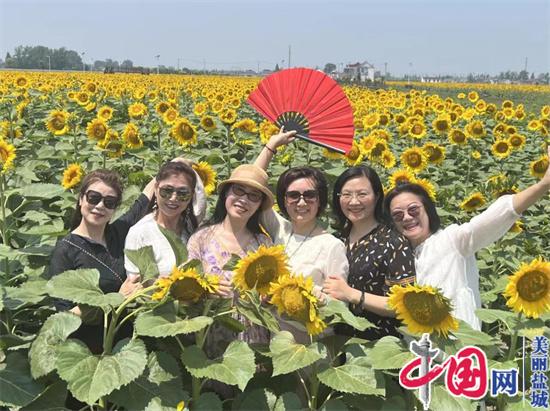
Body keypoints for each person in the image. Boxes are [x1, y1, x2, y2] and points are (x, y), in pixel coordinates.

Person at [384, 146, 550, 330]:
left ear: (428, 210)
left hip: (459, 349)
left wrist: (543, 184)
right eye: (398, 215)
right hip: (418, 352)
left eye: (413, 210)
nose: (407, 217)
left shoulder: (451, 240)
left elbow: (497, 215)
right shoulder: (397, 255)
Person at [255, 130, 348, 342]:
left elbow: (339, 307)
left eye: (310, 195)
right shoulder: (279, 229)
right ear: (283, 200)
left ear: (320, 200)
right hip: (269, 340)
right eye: (293, 195)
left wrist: (300, 295)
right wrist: (271, 147)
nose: (302, 202)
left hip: (306, 347)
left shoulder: (331, 246)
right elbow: (252, 183)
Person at [47, 169, 155, 353]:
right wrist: (116, 299)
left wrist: (174, 166)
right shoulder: (66, 250)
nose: (100, 206)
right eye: (93, 197)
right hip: (92, 350)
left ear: (114, 209)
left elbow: (143, 200)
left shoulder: (118, 233)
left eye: (109, 202)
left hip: (129, 344)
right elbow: (64, 318)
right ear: (81, 199)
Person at [186, 164, 273, 354]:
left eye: (254, 196)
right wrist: (205, 288)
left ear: (259, 205)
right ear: (226, 193)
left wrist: (268, 296)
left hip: (253, 338)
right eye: (239, 190)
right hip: (210, 335)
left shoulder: (264, 244)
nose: (244, 200)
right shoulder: (200, 239)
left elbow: (272, 289)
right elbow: (186, 287)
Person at [322, 166, 416, 340]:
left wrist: (352, 294)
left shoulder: (393, 242)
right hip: (336, 345)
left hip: (377, 347)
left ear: (377, 196)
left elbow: (404, 305)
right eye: (346, 194)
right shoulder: (335, 240)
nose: (354, 201)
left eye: (362, 194)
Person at [124, 160, 206, 278]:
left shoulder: (192, 229)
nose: (173, 198)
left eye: (183, 193)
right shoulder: (140, 233)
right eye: (167, 191)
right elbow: (135, 285)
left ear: (191, 196)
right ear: (156, 189)